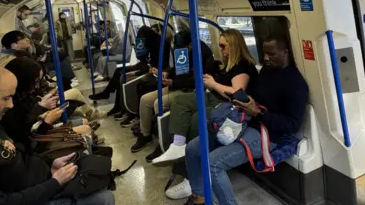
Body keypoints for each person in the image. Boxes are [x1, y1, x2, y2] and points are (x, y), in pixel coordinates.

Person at [0, 65, 115, 205]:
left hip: (39, 179)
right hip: (31, 195)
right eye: (6, 98)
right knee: (104, 199)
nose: (11, 105)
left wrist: (50, 165)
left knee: (96, 174)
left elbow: (16, 153)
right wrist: (55, 184)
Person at [182, 35, 308, 204]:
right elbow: (255, 96)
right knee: (192, 149)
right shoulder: (266, 71)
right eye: (264, 53)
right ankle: (199, 196)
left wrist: (258, 113)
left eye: (271, 54)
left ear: (285, 53)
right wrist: (243, 101)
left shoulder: (295, 83)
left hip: (267, 134)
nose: (265, 58)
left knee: (213, 164)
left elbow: (292, 125)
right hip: (244, 122)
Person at [152, 28, 257, 165]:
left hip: (230, 106)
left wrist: (213, 84)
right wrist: (210, 82)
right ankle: (178, 145)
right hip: (215, 98)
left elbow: (236, 93)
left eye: (223, 45)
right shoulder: (228, 64)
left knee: (196, 118)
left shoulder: (243, 65)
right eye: (219, 45)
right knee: (179, 100)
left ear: (234, 45)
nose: (220, 49)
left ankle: (192, 163)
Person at [131, 30, 214, 157]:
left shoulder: (203, 54)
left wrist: (173, 83)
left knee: (159, 103)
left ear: (190, 45)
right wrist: (167, 73)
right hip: (176, 84)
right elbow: (179, 68)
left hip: (190, 89)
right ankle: (145, 134)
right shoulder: (184, 51)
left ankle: (164, 143)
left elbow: (196, 79)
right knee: (145, 99)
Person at [0, 30, 79, 89]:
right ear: (14, 45)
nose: (27, 40)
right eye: (23, 39)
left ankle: (70, 81)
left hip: (39, 72)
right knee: (63, 66)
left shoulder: (22, 53)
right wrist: (41, 61)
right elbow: (36, 72)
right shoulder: (18, 59)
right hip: (38, 82)